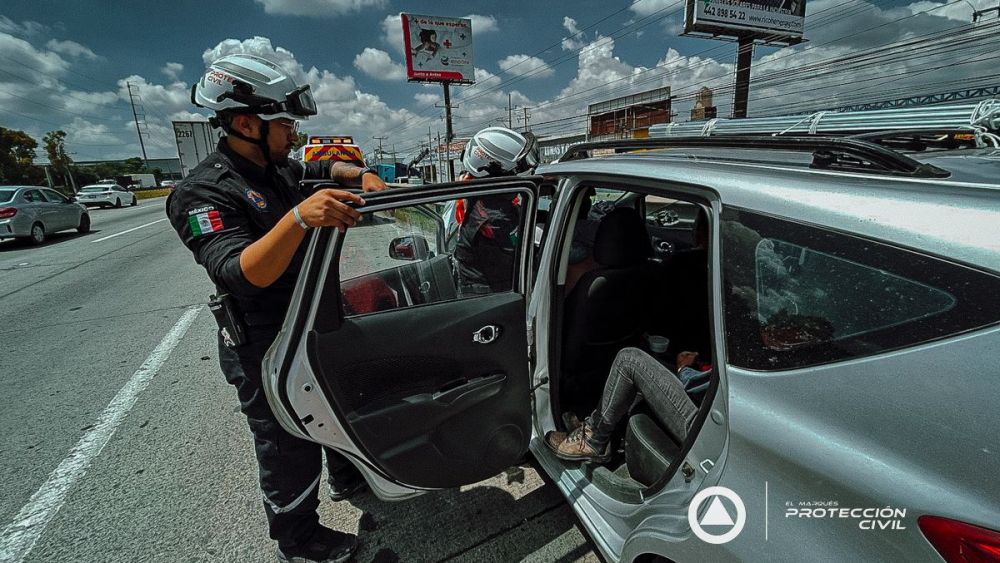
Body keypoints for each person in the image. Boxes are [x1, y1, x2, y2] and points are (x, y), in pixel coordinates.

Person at [166, 54, 387, 563]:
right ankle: (299, 541)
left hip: (311, 320)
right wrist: (299, 220)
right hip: (264, 341)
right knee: (289, 441)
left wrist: (362, 174)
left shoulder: (275, 165)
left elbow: (321, 166)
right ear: (245, 123)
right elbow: (241, 274)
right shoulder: (200, 192)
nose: (292, 134)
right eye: (284, 124)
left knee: (335, 403)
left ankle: (348, 475)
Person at [546, 347, 706, 462]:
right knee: (650, 364)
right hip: (708, 415)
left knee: (629, 360)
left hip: (702, 426)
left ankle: (594, 438)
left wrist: (684, 368)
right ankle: (607, 432)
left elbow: (701, 387)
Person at [453, 126, 539, 295]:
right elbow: (525, 257)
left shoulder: (482, 198)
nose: (524, 172)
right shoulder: (494, 218)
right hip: (490, 299)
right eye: (518, 169)